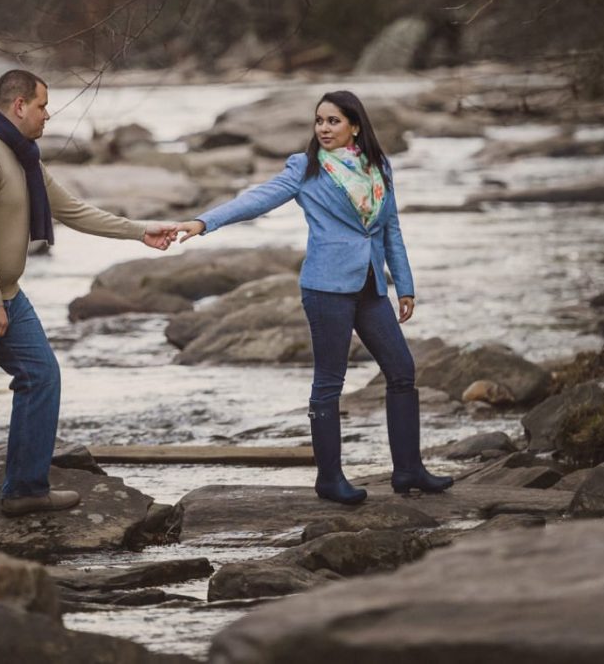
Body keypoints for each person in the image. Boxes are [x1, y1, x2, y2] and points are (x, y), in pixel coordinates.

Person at [0, 67, 178, 542]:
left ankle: (25, 489)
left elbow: (73, 210)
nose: (48, 115)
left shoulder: (21, 156)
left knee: (41, 376)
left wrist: (141, 230)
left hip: (2, 293)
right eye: (43, 105)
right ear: (19, 106)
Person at [169, 89, 453, 506]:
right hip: (326, 289)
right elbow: (256, 200)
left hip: (371, 287)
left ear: (355, 125)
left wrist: (404, 285)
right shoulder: (305, 168)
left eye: (333, 121)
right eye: (319, 121)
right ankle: (330, 478)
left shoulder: (378, 166)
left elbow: (390, 229)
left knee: (402, 370)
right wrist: (203, 221)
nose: (323, 128)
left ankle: (408, 469)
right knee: (329, 382)